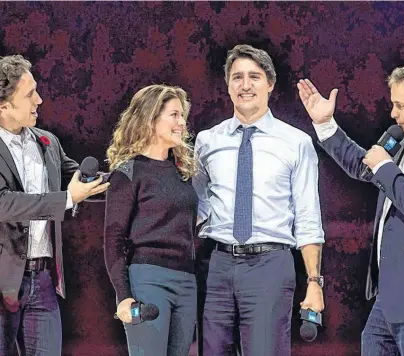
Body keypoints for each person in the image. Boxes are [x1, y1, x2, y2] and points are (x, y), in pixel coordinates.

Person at [298, 60, 404, 355]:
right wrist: (325, 125)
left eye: (400, 105)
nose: (393, 114)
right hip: (390, 300)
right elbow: (365, 166)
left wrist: (384, 165)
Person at [192, 44, 325, 356]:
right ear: (227, 85)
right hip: (219, 264)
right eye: (237, 77)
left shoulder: (296, 143)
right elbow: (196, 204)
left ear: (270, 84)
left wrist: (315, 282)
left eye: (254, 76)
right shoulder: (207, 141)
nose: (245, 85)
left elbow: (308, 217)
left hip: (271, 265)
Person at [0, 54, 110, 355]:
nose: (40, 99)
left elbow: (81, 181)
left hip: (44, 281)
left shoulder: (47, 141)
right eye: (29, 94)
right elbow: (4, 204)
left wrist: (132, 177)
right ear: (4, 104)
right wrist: (67, 198)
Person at [104, 84, 198, 356]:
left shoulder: (182, 172)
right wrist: (124, 296)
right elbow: (114, 240)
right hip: (148, 280)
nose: (182, 123)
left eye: (182, 116)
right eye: (174, 115)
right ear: (150, 118)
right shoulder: (128, 172)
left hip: (186, 281)